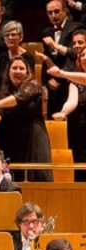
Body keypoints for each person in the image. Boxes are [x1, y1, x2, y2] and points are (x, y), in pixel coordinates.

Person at [0, 56, 53, 182]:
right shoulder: (3, 92)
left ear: (27, 72)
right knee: (12, 179)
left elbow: (19, 98)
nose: (18, 71)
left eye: (21, 68)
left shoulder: (33, 85)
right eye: (14, 68)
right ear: (8, 72)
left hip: (33, 137)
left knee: (37, 178)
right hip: (11, 138)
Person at [48, 49, 86, 181]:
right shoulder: (75, 82)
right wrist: (64, 112)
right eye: (83, 55)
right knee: (81, 166)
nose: (85, 58)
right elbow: (72, 101)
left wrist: (61, 73)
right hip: (81, 129)